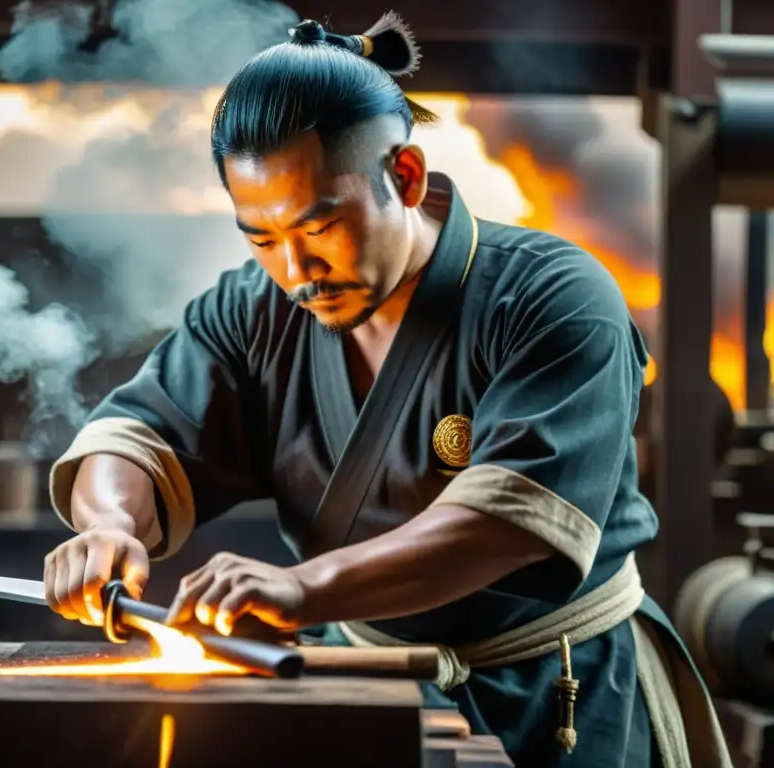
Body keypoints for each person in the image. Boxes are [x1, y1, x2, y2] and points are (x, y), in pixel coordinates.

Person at [42, 12, 731, 767]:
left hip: (559, 689)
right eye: (262, 237)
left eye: (319, 225)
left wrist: (303, 588)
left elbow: (509, 521)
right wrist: (109, 525)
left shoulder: (555, 296)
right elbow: (141, 433)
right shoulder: (249, 312)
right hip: (365, 682)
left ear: (403, 175)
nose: (297, 271)